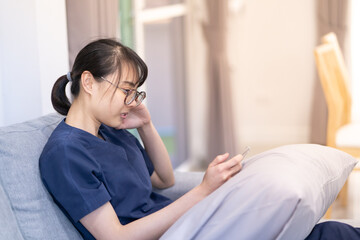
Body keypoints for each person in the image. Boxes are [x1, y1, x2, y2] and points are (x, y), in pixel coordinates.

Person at [39, 38, 244, 240]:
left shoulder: (111, 131)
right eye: (127, 91)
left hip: (182, 226)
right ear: (88, 82)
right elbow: (115, 236)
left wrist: (146, 125)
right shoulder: (66, 152)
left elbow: (165, 180)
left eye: (135, 93)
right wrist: (202, 191)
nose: (131, 102)